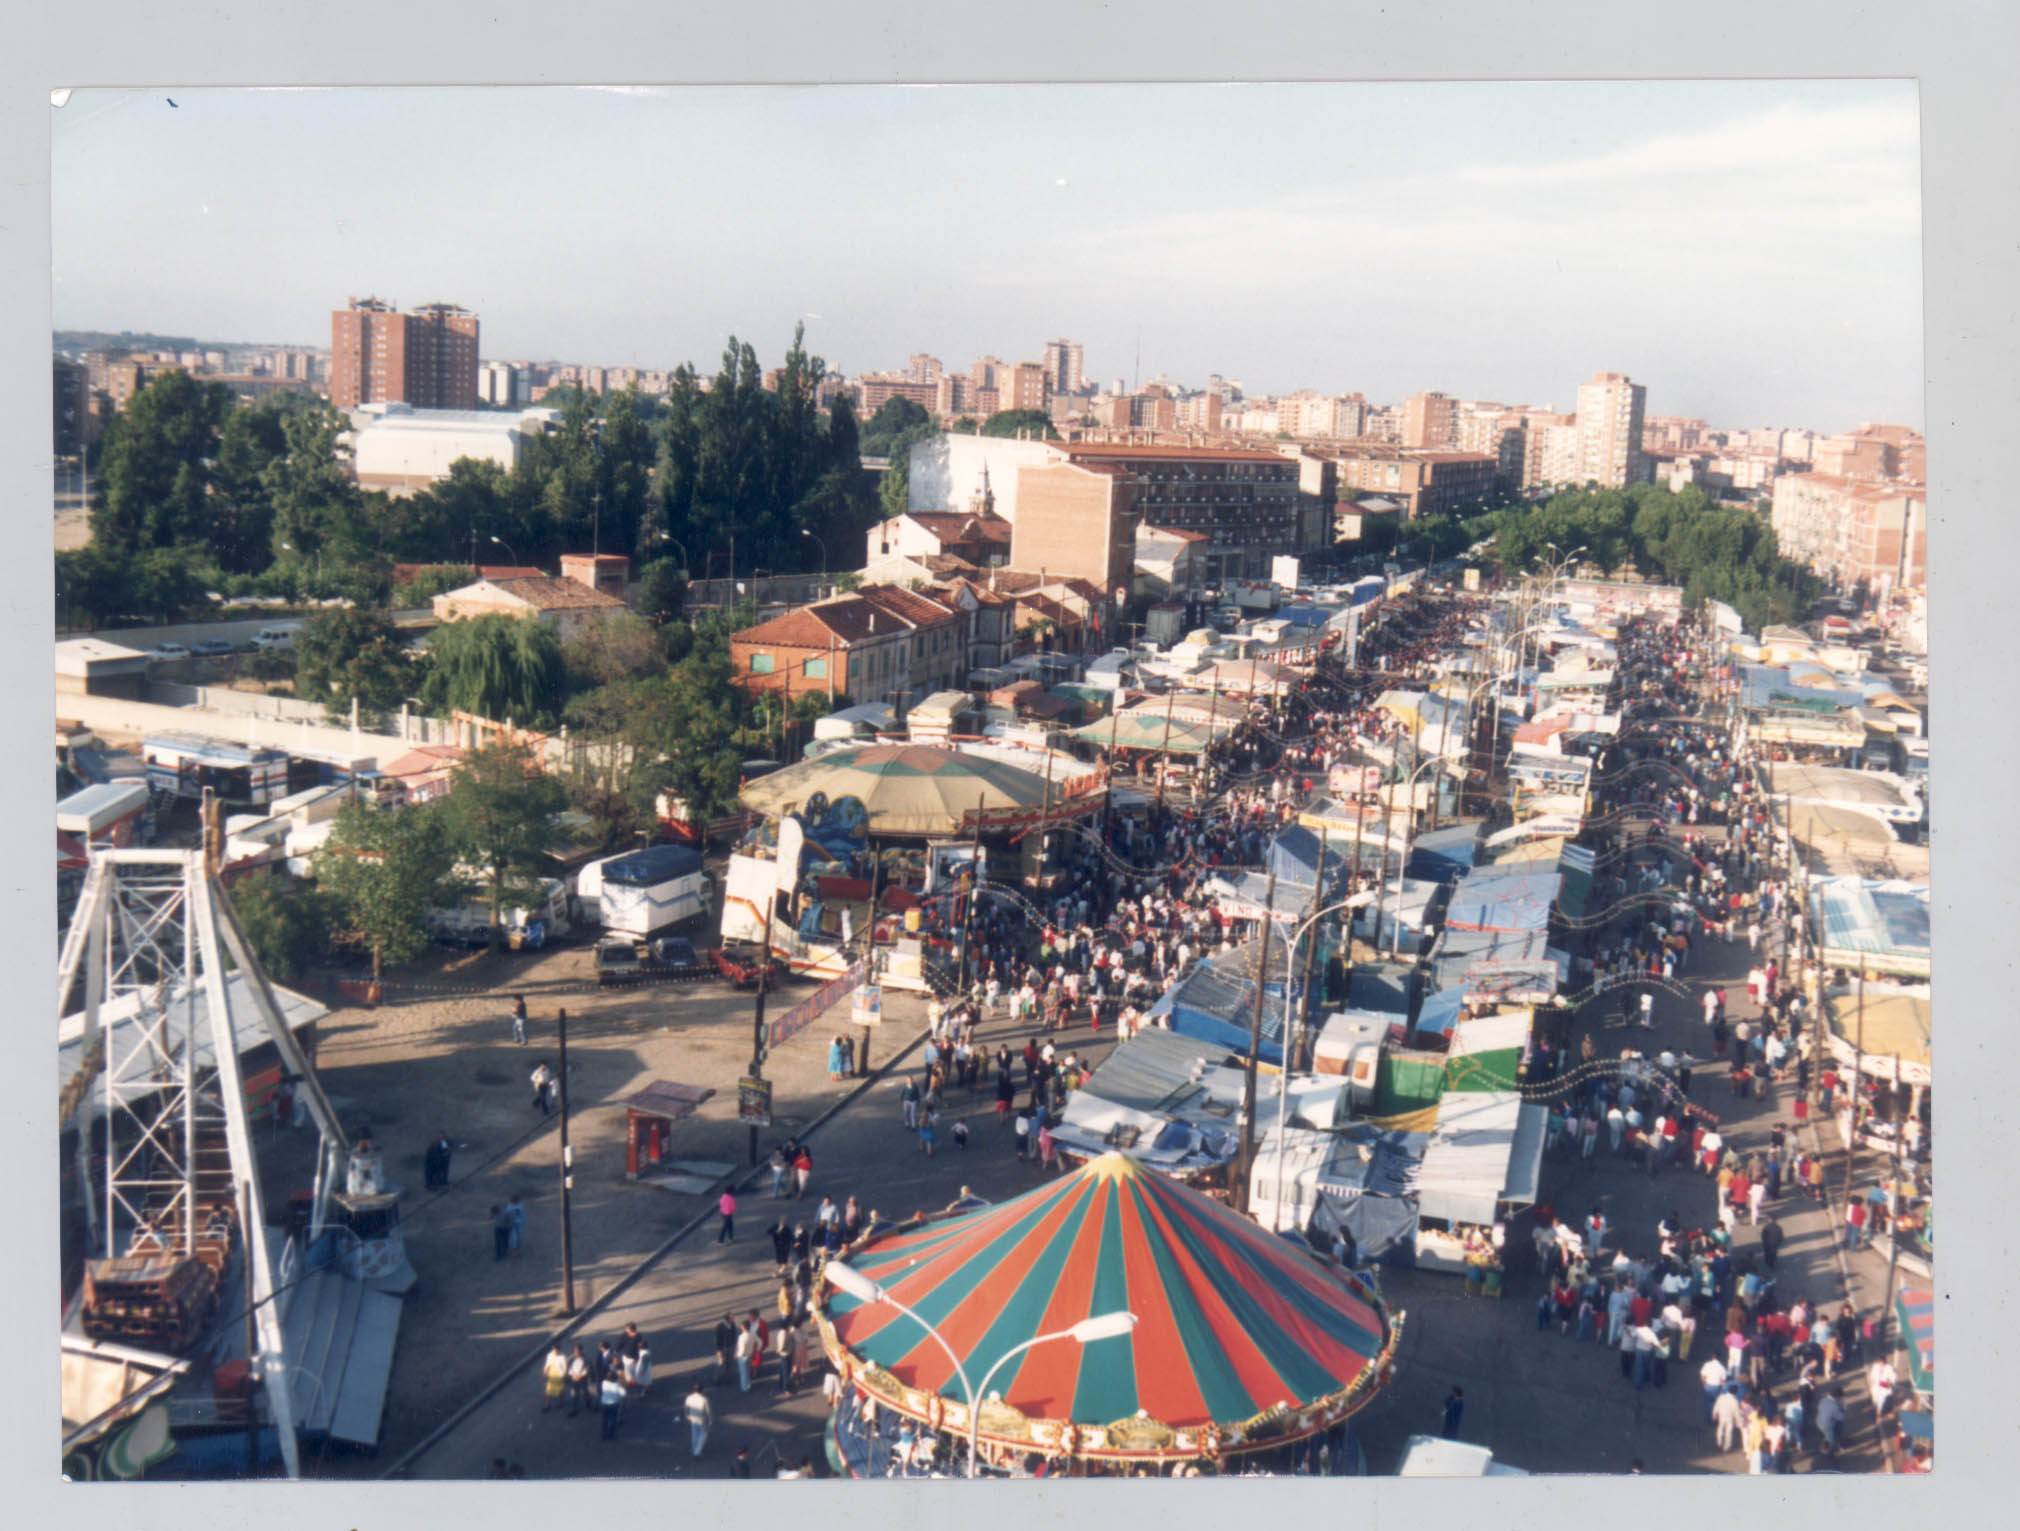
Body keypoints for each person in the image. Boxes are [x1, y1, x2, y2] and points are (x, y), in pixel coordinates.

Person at [685, 1380, 714, 1456]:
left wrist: (687, 1416)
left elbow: (686, 1409)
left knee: (694, 1434)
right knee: (704, 1434)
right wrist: (710, 1420)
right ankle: (697, 1451)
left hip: (693, 1419)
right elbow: (708, 1410)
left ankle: (694, 1448)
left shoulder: (689, 1398)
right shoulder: (704, 1399)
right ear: (702, 1390)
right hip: (702, 1419)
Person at [599, 1366, 626, 1439]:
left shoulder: (604, 1383)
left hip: (604, 1403)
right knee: (613, 1420)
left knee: (605, 1419)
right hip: (614, 1404)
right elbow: (623, 1393)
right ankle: (611, 1434)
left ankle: (604, 1434)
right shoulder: (616, 1385)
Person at [566, 1344, 592, 1417]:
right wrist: (573, 1375)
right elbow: (569, 1368)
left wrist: (580, 1376)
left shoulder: (586, 1359)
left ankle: (589, 1404)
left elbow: (587, 1369)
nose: (576, 1353)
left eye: (578, 1351)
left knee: (585, 1391)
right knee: (575, 1394)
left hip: (583, 1379)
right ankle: (575, 1409)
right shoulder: (571, 1358)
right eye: (575, 1351)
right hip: (574, 1379)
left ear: (581, 1351)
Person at [542, 1344, 567, 1412]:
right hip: (552, 1375)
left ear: (559, 1350)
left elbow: (565, 1368)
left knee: (559, 1390)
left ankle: (561, 1403)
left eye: (556, 1350)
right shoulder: (550, 1355)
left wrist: (563, 1376)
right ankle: (547, 1405)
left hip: (559, 1375)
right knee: (548, 1390)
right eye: (554, 1350)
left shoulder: (562, 1357)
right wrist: (545, 1373)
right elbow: (547, 1364)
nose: (555, 1351)